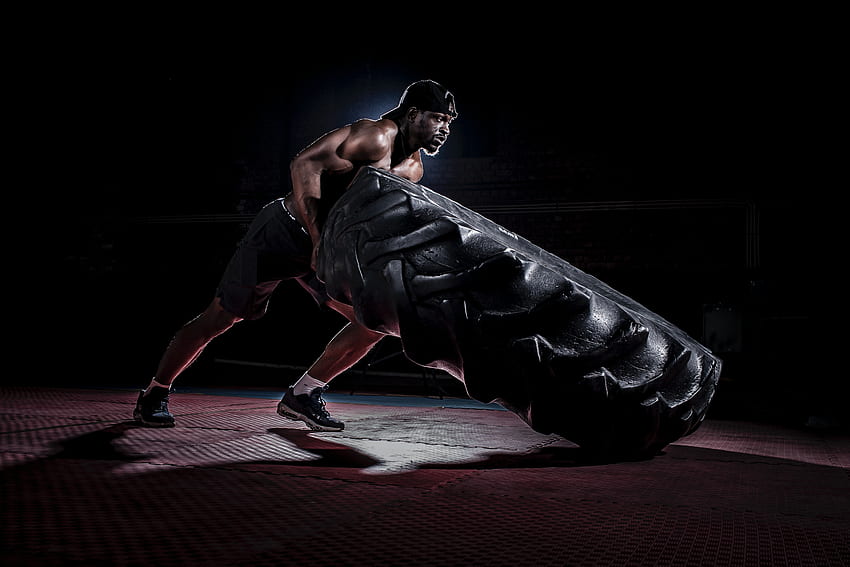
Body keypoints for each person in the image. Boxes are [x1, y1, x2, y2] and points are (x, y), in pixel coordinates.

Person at [134, 79, 458, 431]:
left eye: (449, 123)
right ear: (413, 114)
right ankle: (155, 392)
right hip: (285, 230)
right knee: (221, 318)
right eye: (438, 118)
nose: (445, 129)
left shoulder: (414, 170)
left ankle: (303, 394)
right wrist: (317, 238)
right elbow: (304, 164)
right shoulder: (374, 135)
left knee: (373, 323)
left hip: (328, 249)